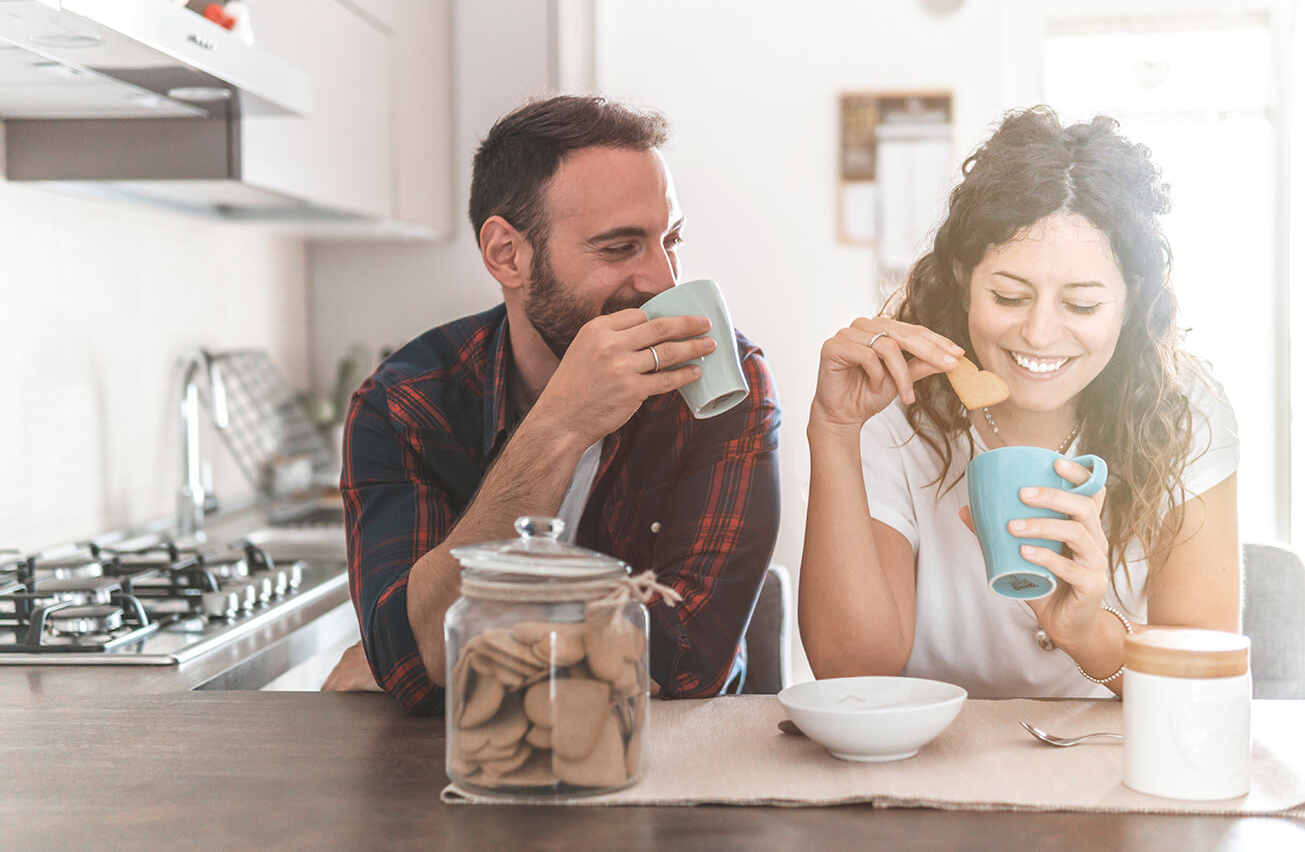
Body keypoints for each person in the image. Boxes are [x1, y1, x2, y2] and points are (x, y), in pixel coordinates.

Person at [322, 95, 781, 711]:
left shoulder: (720, 377)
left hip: (676, 760)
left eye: (670, 239)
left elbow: (686, 660)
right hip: (464, 771)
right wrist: (559, 427)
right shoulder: (406, 405)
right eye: (620, 248)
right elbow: (417, 659)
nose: (663, 281)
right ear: (506, 255)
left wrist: (464, 655)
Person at [799, 107, 1239, 698]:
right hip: (932, 767)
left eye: (1081, 306)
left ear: (1131, 302)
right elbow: (851, 671)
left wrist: (1087, 632)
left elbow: (1204, 680)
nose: (1038, 334)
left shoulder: (1188, 413)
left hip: (1111, 771)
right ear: (962, 277)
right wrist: (832, 429)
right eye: (1009, 296)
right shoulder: (893, 404)